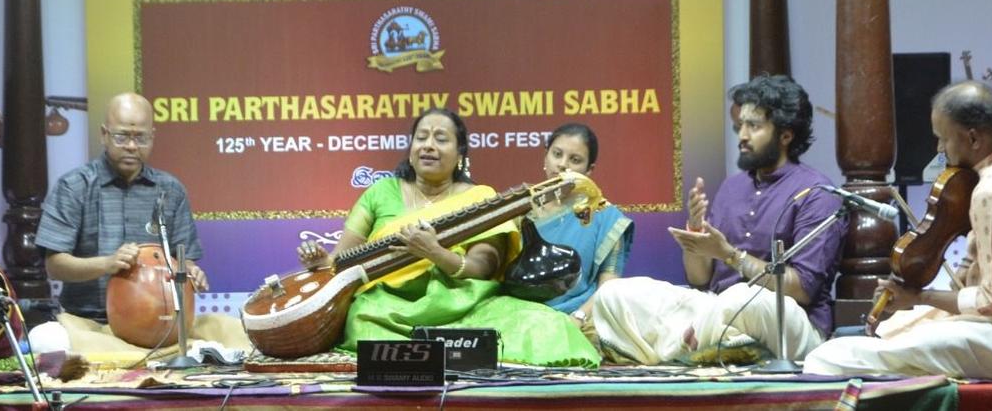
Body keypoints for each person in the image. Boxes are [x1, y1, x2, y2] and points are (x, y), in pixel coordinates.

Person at [297, 107, 600, 367]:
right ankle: (445, 356)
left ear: (460, 154)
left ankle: (443, 353)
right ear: (411, 149)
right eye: (422, 137)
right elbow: (340, 260)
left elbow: (482, 266)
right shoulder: (380, 192)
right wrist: (322, 261)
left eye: (441, 139)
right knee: (361, 321)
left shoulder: (480, 198)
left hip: (463, 303)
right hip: (387, 307)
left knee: (544, 324)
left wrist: (435, 253)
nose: (429, 145)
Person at [591, 74, 846, 364]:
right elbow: (699, 278)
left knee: (743, 299)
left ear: (785, 136)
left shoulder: (816, 193)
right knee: (615, 294)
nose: (742, 135)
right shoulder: (732, 187)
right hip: (715, 307)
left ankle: (684, 346)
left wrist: (730, 255)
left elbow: (801, 288)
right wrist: (696, 235)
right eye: (741, 125)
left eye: (754, 126)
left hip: (787, 319)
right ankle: (705, 344)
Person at [805, 81, 992, 379]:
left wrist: (920, 297)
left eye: (943, 139)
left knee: (829, 358)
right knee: (896, 329)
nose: (940, 149)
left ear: (972, 138)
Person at [35, 92, 209, 322]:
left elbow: (184, 258)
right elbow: (54, 266)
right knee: (46, 338)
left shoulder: (171, 190)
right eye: (121, 137)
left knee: (224, 330)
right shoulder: (74, 186)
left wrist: (191, 272)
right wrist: (107, 264)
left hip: (157, 320)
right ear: (104, 135)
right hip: (88, 320)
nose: (131, 146)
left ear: (153, 137)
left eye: (141, 138)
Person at [532, 123, 633, 327]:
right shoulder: (519, 210)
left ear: (589, 170)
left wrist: (578, 317)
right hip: (522, 316)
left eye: (575, 160)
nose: (562, 164)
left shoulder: (606, 217)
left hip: (580, 318)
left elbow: (608, 288)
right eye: (557, 154)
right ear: (545, 156)